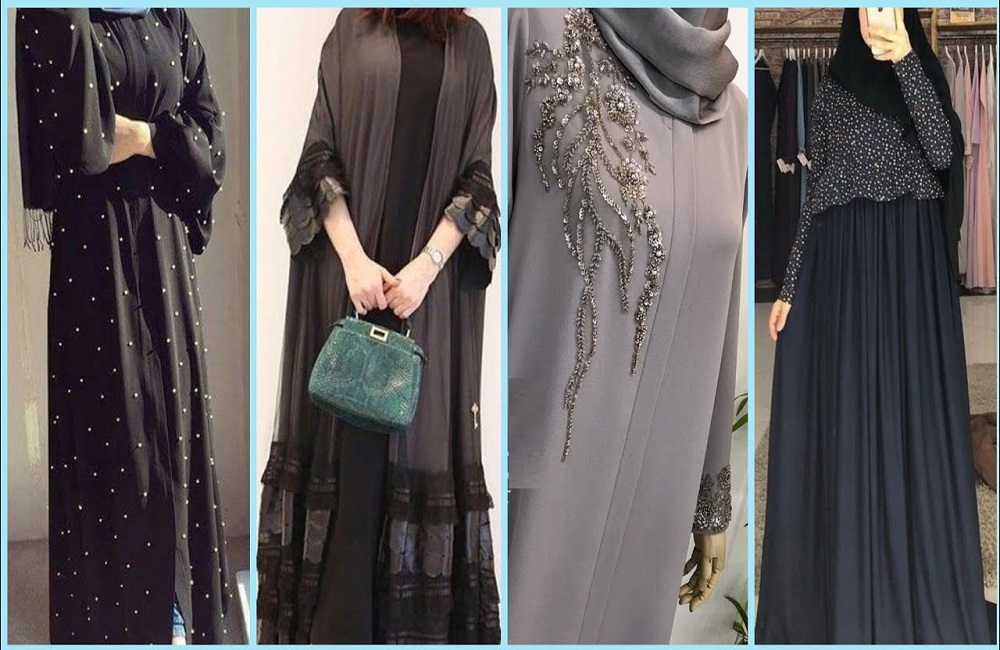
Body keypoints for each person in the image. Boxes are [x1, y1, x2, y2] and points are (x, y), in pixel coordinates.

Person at [255, 8, 501, 644]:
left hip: (425, 301)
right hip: (349, 292)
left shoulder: (471, 43)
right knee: (345, 468)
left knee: (413, 451)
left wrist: (425, 269)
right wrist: (353, 261)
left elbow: (477, 179)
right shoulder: (354, 26)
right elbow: (318, 157)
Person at [756, 9, 989, 643]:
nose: (872, 18)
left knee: (911, 414)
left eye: (884, 7)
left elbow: (943, 152)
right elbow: (815, 194)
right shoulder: (832, 88)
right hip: (844, 271)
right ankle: (849, 587)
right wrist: (790, 285)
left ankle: (911, 581)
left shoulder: (926, 73)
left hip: (909, 269)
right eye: (863, 8)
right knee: (850, 411)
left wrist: (906, 59)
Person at [14, 8, 230, 644]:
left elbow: (211, 139)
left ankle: (178, 609)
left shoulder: (168, 15)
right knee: (115, 431)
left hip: (165, 252)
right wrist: (162, 137)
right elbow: (76, 136)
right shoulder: (57, 15)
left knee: (174, 426)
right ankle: (120, 624)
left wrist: (141, 135)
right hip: (94, 256)